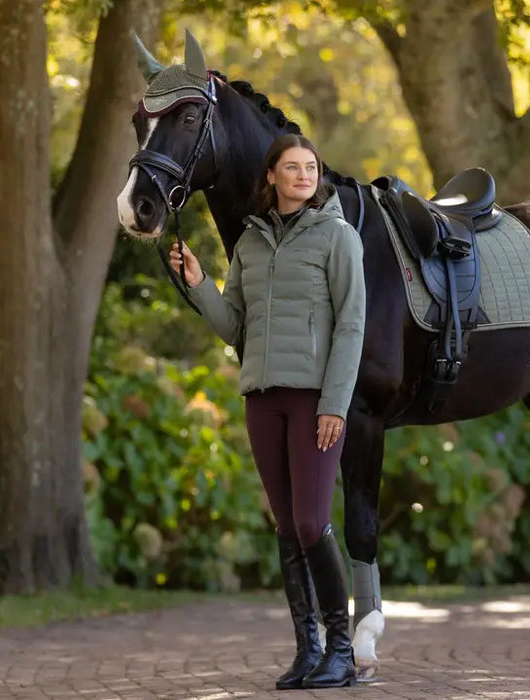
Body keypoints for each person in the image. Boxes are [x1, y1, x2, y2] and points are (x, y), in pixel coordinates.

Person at [169, 133, 366, 690]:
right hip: (262, 399)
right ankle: (307, 651)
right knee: (287, 527)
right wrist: (200, 284)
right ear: (271, 177)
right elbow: (235, 327)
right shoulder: (249, 247)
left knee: (311, 521)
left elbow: (352, 326)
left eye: (311, 167)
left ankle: (341, 650)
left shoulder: (338, 237)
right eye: (292, 167)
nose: (304, 175)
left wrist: (335, 405)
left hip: (313, 402)